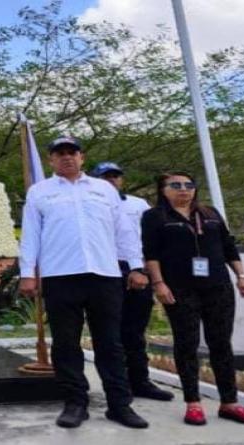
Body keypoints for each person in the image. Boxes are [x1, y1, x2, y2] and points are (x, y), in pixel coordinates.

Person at [19, 137, 150, 430]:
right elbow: (31, 235)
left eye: (72, 153)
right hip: (60, 275)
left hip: (104, 274)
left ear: (82, 157)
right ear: (51, 160)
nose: (66, 158)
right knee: (66, 343)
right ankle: (75, 403)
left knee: (110, 343)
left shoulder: (104, 189)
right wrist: (28, 272)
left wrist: (137, 266)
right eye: (59, 154)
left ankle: (119, 405)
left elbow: (124, 231)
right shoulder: (40, 192)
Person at [142, 172, 244, 426]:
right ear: (163, 190)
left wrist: (242, 277)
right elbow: (150, 254)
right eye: (175, 185)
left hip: (217, 286)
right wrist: (158, 283)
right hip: (180, 288)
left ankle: (229, 402)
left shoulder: (210, 214)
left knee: (221, 344)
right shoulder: (155, 216)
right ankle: (193, 402)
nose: (183, 190)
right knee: (187, 344)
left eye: (189, 185)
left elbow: (228, 246)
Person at [90, 161, 174, 402]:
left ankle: (140, 381)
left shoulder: (138, 205)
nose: (111, 180)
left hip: (136, 269)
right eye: (105, 177)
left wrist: (146, 269)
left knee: (135, 331)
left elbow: (149, 237)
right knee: (108, 333)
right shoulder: (90, 203)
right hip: (104, 270)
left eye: (115, 176)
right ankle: (116, 386)